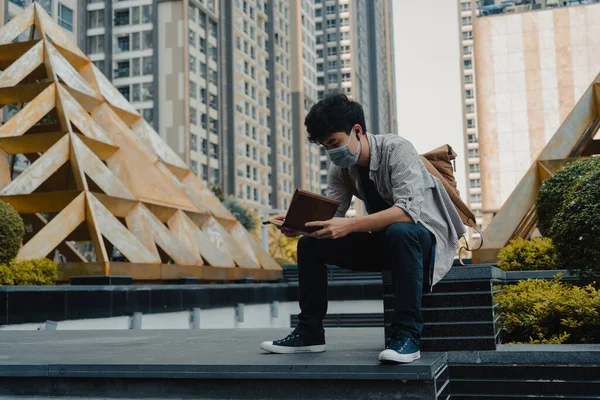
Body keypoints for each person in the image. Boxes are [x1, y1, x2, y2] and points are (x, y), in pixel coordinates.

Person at [259, 91, 466, 363]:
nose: (332, 152)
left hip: (425, 241)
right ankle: (309, 333)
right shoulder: (342, 170)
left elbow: (408, 212)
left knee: (400, 231)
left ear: (357, 130)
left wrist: (350, 225)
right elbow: (333, 214)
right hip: (387, 242)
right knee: (310, 245)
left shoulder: (397, 149)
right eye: (325, 147)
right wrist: (299, 226)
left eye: (335, 142)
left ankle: (407, 337)